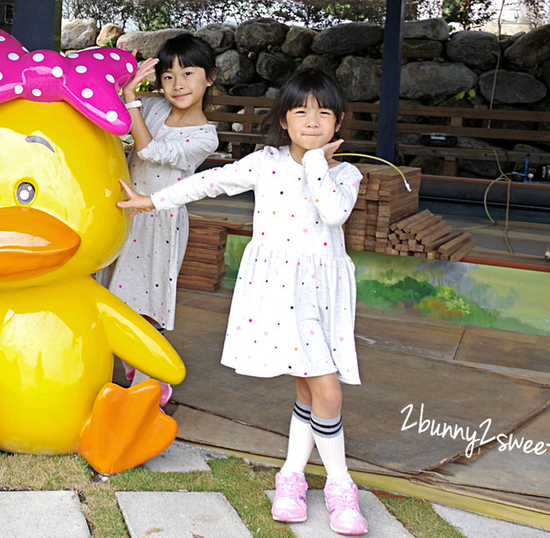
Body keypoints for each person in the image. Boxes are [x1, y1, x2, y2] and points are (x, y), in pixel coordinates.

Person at [117, 68, 368, 536]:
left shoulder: (344, 173)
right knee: (324, 390)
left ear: (339, 123)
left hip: (323, 292)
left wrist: (316, 162)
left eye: (324, 112)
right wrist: (153, 202)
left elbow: (333, 212)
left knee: (313, 390)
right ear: (284, 118)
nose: (312, 121)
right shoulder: (265, 162)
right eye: (301, 111)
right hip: (278, 291)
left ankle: (291, 476)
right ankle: (340, 484)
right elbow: (208, 184)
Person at [107, 33, 221, 404]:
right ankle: (138, 369)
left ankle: (150, 381)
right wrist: (125, 81)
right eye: (168, 76)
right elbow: (116, 121)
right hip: (125, 213)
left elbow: (150, 149)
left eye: (188, 73)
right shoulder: (152, 107)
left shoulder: (205, 137)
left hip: (159, 223)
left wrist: (132, 98)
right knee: (111, 295)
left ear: (210, 78)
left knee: (141, 302)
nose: (178, 84)